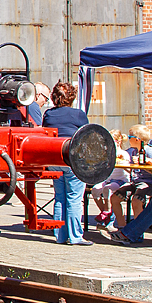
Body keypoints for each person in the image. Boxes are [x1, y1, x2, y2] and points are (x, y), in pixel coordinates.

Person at [43, 81, 90, 245]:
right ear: (72, 97)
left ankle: (60, 236)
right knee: (75, 198)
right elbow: (87, 135)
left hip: (55, 159)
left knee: (60, 197)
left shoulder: (48, 114)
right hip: (72, 159)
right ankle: (75, 236)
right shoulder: (78, 114)